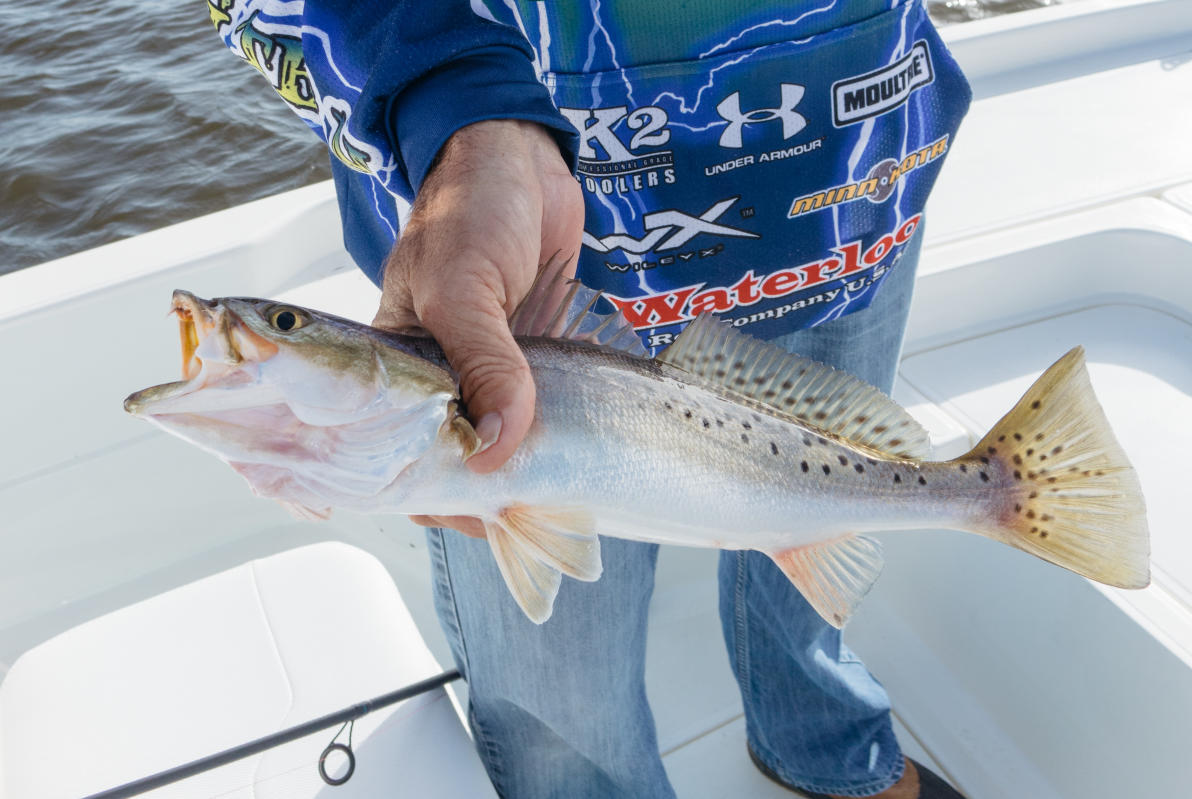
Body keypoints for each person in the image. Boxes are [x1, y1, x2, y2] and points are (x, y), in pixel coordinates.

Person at [211, 2, 971, 796]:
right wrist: (460, 103)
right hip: (514, 248)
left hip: (854, 186)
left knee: (815, 538)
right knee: (561, 710)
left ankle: (824, 740)